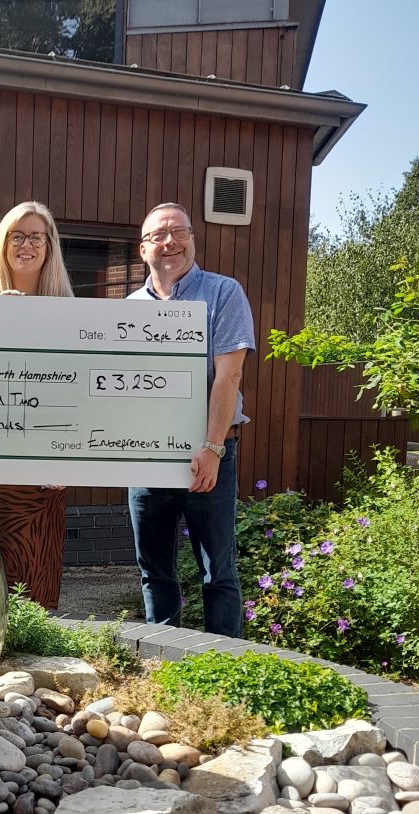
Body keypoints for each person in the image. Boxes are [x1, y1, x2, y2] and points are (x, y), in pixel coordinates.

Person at [126, 202, 255, 638]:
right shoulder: (126, 308)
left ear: (192, 240)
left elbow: (229, 375)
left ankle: (227, 672)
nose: (169, 243)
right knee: (154, 570)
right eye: (158, 236)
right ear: (143, 249)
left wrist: (213, 447)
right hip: (147, 458)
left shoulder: (223, 293)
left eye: (178, 232)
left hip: (210, 453)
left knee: (217, 572)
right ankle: (164, 665)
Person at [0, 201, 74, 609]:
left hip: (41, 475)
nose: (26, 245)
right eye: (17, 235)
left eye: (36, 237)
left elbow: (75, 392)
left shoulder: (71, 311)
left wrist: (71, 459)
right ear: (3, 243)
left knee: (35, 588)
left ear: (49, 247)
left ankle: (34, 671)